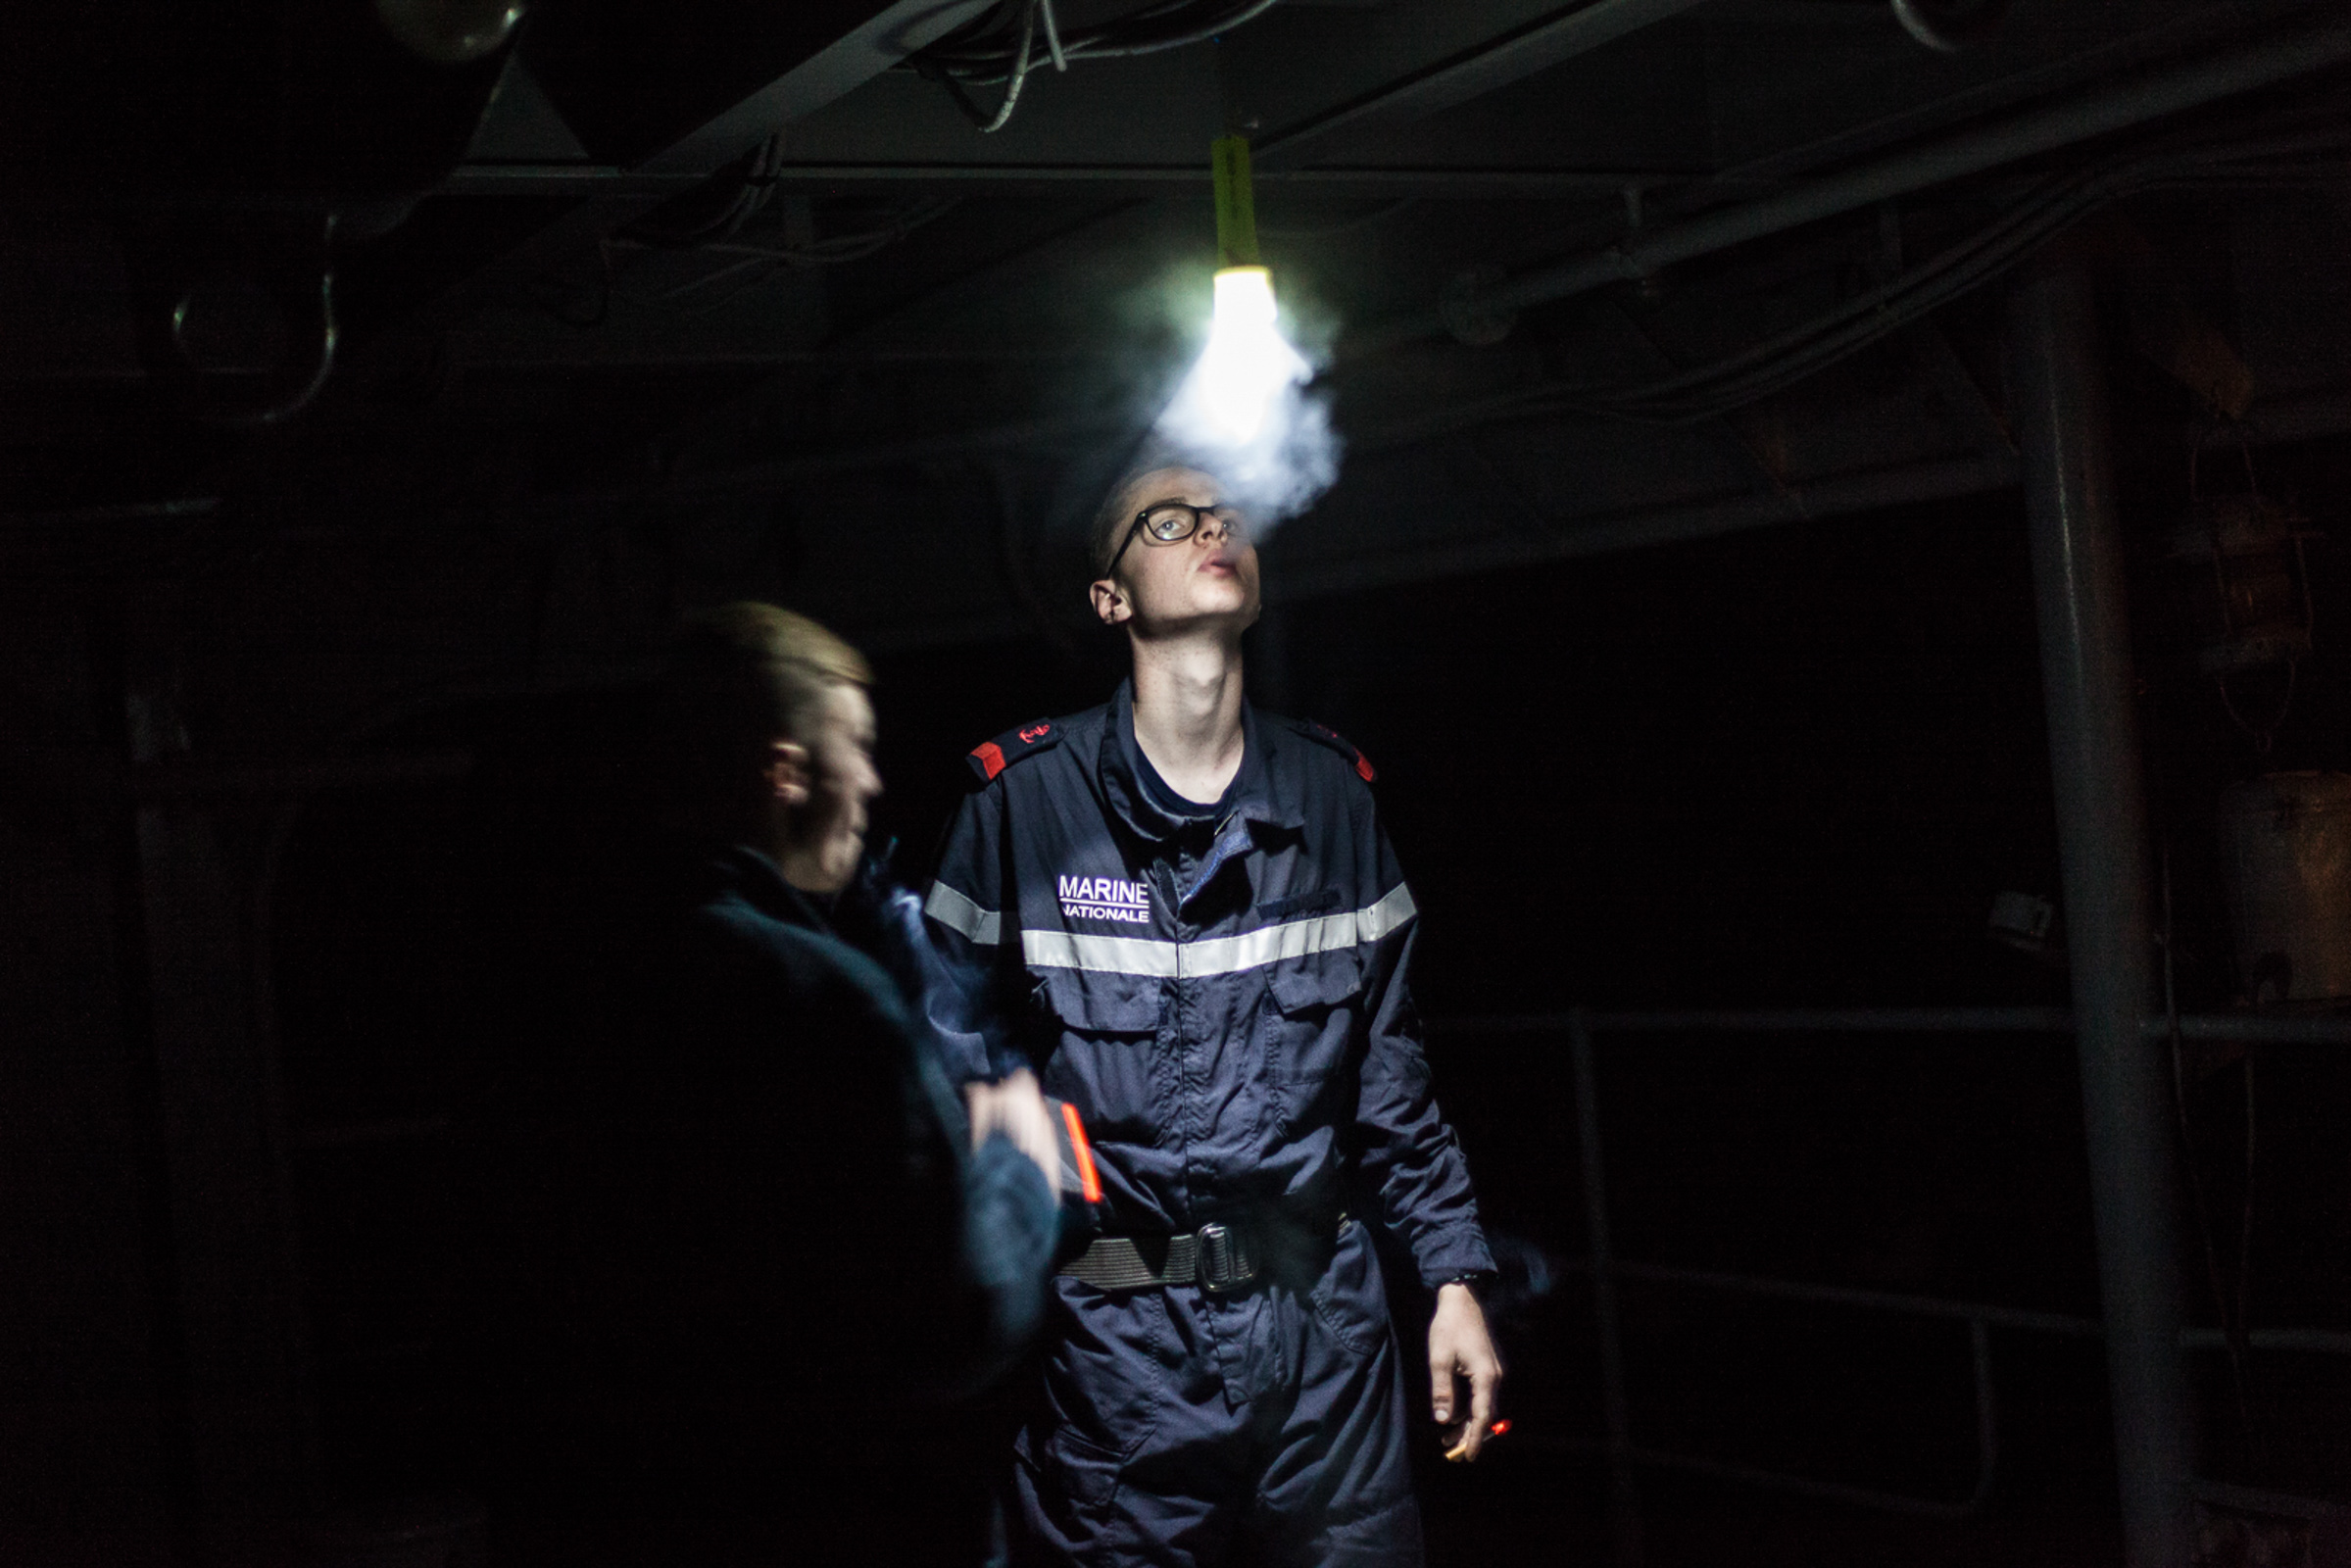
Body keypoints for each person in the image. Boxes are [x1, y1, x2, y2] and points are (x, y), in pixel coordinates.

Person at [922, 456, 1503, 1567]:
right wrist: (984, 1124)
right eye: (1169, 519)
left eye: (1226, 514)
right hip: (1116, 1353)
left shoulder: (1332, 799)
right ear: (1109, 597)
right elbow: (933, 1037)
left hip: (1325, 1340)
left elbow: (1392, 1075)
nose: (1211, 529)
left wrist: (1454, 1277)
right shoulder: (1018, 805)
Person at [470, 603, 1065, 1567]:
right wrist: (1015, 1165)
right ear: (785, 770)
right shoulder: (817, 998)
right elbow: (949, 1320)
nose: (872, 781)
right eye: (856, 747)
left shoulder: (563, 989)